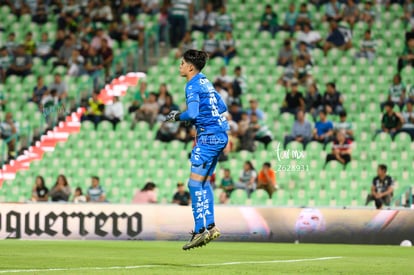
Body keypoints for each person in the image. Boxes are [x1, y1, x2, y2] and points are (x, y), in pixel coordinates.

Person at [165, 49, 229, 250]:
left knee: (193, 184)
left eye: (182, 63)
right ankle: (210, 227)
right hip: (219, 134)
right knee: (203, 182)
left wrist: (176, 117)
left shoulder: (192, 85)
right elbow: (222, 106)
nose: (180, 66)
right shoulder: (205, 81)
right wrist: (207, 118)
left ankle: (200, 231)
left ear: (190, 67)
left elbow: (191, 113)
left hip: (208, 137)